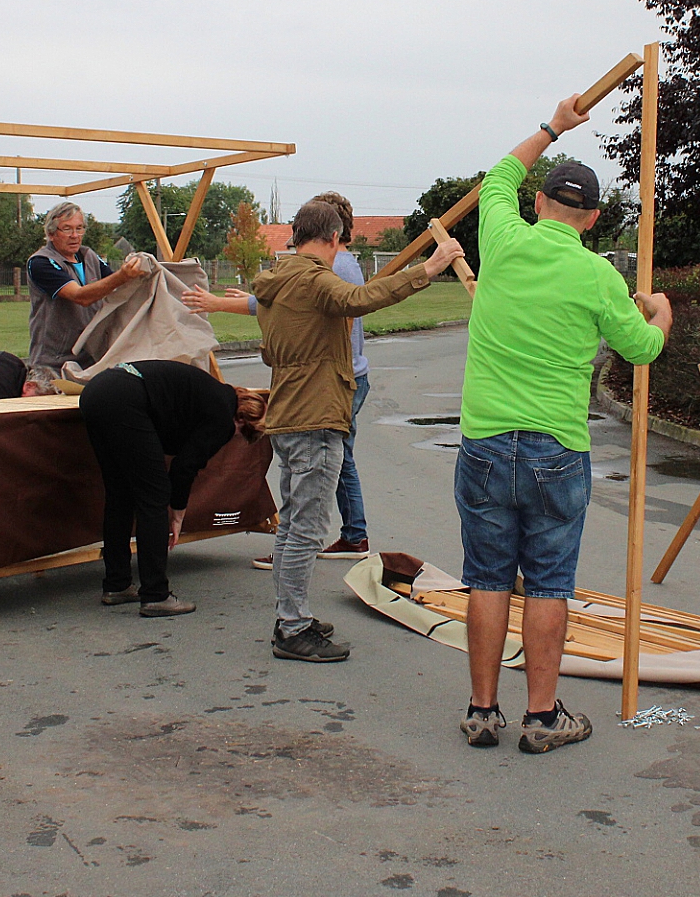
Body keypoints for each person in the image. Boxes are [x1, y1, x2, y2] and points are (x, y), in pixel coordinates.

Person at [457, 95, 670, 754]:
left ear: (540, 201)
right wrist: (661, 314)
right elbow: (642, 349)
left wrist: (553, 126)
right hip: (556, 447)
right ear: (594, 218)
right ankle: (542, 717)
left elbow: (499, 174)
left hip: (486, 440)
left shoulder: (502, 238)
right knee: (548, 582)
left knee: (487, 576)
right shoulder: (597, 275)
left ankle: (482, 710)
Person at [249, 199, 464, 663]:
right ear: (333, 238)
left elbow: (272, 350)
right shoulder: (313, 280)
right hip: (315, 416)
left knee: (293, 524)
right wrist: (428, 269)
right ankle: (292, 627)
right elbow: (361, 299)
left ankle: (292, 616)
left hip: (288, 414)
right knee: (306, 529)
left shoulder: (276, 281)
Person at [182, 190, 374, 570]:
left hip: (336, 380)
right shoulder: (336, 264)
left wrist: (220, 304)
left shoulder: (334, 267)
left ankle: (306, 543)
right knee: (332, 461)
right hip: (344, 375)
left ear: (328, 231)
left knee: (317, 464)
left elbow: (281, 302)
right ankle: (349, 535)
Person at [77, 359, 267, 617]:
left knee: (120, 494)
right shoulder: (224, 417)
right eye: (242, 435)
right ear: (242, 420)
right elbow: (184, 467)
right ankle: (155, 595)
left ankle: (117, 584)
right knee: (154, 497)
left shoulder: (212, 394)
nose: (233, 439)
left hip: (98, 391)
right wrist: (178, 514)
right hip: (126, 399)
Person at [25, 202, 150, 392]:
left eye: (79, 228)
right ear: (51, 234)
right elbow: (80, 297)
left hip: (92, 360)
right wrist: (123, 275)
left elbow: (118, 289)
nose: (75, 235)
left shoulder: (89, 256)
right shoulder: (41, 262)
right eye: (67, 229)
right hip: (53, 364)